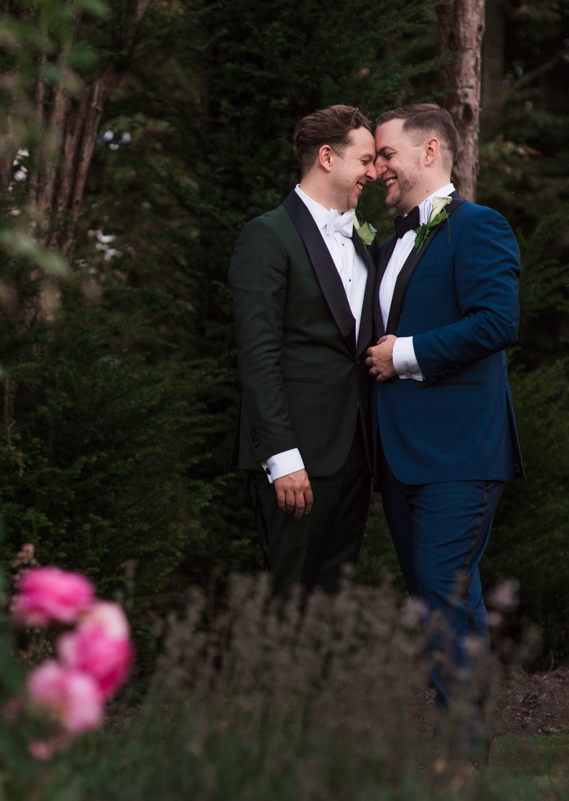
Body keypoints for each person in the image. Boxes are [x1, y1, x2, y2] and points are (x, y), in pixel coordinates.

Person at [364, 103, 524, 746]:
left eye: (386, 156)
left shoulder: (479, 227)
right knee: (446, 599)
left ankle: (463, 757)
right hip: (400, 458)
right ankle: (464, 746)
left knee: (441, 596)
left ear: (430, 152)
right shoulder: (388, 241)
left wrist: (401, 353)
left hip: (460, 455)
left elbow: (497, 323)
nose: (377, 170)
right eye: (372, 159)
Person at [229, 105, 378, 597]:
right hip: (299, 461)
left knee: (331, 606)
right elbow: (258, 355)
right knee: (287, 603)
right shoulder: (267, 235)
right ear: (328, 157)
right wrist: (282, 456)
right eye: (366, 160)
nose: (373, 173)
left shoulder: (362, 237)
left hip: (356, 453)